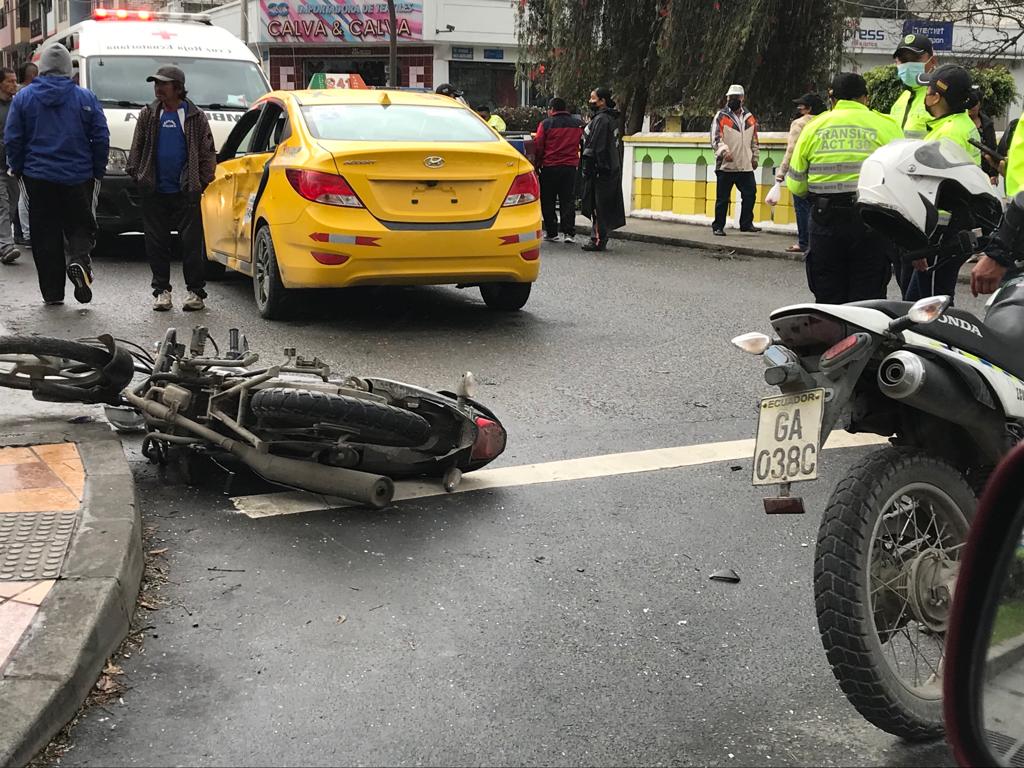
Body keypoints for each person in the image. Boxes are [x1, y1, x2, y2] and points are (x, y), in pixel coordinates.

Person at [786, 72, 903, 304]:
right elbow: (901, 177)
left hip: (826, 219)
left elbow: (797, 184)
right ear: (865, 99)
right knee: (868, 298)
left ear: (833, 100)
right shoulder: (887, 126)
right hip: (873, 221)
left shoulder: (813, 127)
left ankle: (832, 340)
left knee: (829, 297)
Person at [5, 44, 108, 306]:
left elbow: (14, 138)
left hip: (37, 177)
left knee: (44, 233)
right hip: (78, 175)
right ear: (67, 68)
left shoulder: (24, 98)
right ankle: (78, 260)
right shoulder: (85, 97)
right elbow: (100, 136)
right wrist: (97, 169)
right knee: (81, 225)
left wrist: (17, 168)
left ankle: (52, 294)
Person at [126, 65, 217, 312]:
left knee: (191, 244)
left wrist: (202, 180)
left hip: (186, 191)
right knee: (156, 244)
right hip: (154, 191)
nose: (158, 89)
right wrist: (139, 175)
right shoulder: (149, 114)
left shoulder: (194, 116)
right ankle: (161, 292)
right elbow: (137, 148)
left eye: (163, 84)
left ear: (177, 88)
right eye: (155, 84)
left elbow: (208, 151)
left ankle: (195, 292)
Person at [903, 64, 982, 303]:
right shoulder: (958, 125)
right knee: (914, 304)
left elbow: (933, 191)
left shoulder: (947, 134)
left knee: (933, 308)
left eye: (927, 91)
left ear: (937, 97)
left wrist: (921, 243)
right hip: (951, 228)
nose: (924, 95)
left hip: (941, 233)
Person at [776, 92, 825, 254]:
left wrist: (781, 172)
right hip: (823, 173)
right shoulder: (828, 121)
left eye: (801, 105)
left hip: (802, 172)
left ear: (809, 108)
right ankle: (819, 242)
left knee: (802, 208)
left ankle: (804, 242)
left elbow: (791, 150)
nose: (798, 108)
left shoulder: (799, 123)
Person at [710, 84, 759, 236]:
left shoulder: (749, 118)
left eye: (735, 98)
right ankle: (718, 226)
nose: (732, 100)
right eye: (730, 98)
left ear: (742, 99)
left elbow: (754, 141)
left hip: (745, 165)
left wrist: (755, 157)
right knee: (723, 199)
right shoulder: (721, 116)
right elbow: (715, 138)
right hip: (726, 166)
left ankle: (746, 223)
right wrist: (724, 152)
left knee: (750, 194)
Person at [579, 87, 625, 252]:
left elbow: (595, 148)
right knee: (600, 206)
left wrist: (589, 169)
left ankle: (598, 239)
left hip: (601, 170)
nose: (590, 101)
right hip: (608, 169)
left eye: (593, 98)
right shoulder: (607, 119)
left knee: (599, 206)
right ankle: (599, 236)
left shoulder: (602, 120)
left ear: (602, 101)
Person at [534, 96, 584, 244]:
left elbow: (538, 145)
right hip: (570, 168)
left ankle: (552, 232)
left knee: (548, 201)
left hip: (549, 167)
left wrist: (537, 165)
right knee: (567, 200)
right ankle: (569, 232)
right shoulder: (578, 124)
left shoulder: (546, 124)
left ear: (551, 109)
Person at [890, 33, 936, 139]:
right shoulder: (903, 97)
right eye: (903, 60)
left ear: (932, 61)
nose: (907, 65)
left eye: (914, 59)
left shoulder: (940, 97)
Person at [12, 61, 36, 247]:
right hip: (28, 158)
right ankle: (26, 234)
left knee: (20, 197)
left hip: (27, 158)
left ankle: (22, 233)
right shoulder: (24, 96)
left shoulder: (21, 96)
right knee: (23, 197)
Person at [0, 67, 20, 265]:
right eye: (10, 81)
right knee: (3, 206)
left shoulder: (18, 105)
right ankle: (6, 246)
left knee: (12, 206)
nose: (15, 84)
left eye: (15, 81)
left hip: (14, 166)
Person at [966, 86, 998, 181]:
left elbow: (992, 148)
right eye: (969, 103)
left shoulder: (987, 123)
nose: (971, 107)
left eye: (974, 103)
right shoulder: (960, 123)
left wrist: (994, 173)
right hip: (967, 170)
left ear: (980, 104)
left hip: (984, 172)